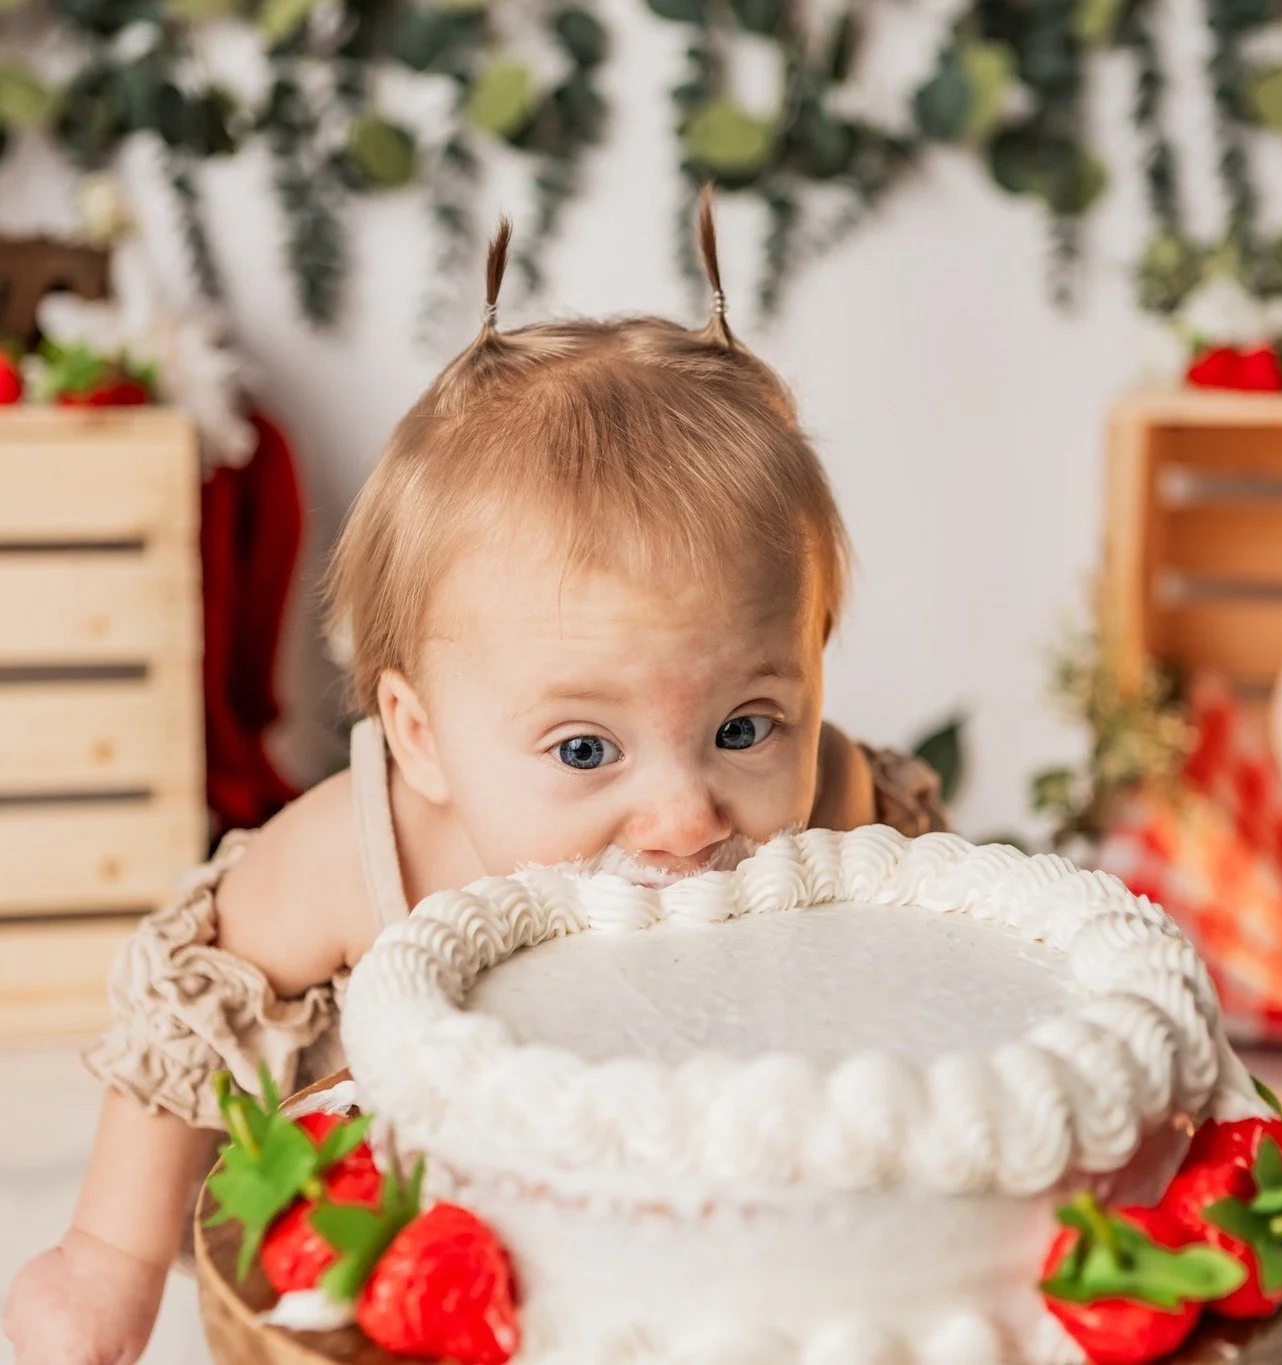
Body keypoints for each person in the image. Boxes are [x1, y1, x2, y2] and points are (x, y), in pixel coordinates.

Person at [2, 190, 944, 1365]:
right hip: (423, 1249)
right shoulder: (362, 851)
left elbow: (933, 978)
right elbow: (187, 1026)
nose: (684, 817)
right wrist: (109, 1257)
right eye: (586, 749)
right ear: (422, 738)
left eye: (745, 727)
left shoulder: (838, 805)